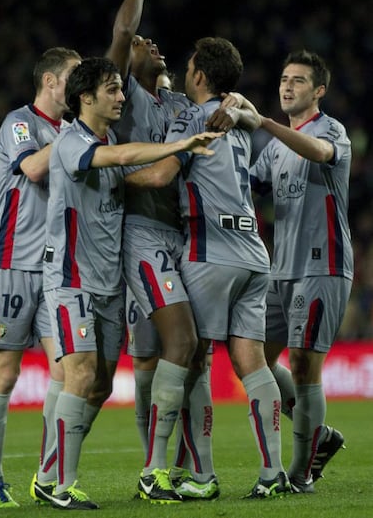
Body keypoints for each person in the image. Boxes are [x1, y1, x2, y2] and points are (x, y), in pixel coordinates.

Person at [33, 56, 223, 510]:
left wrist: (180, 152)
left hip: (109, 284)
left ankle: (44, 476)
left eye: (121, 89)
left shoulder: (108, 138)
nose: (122, 97)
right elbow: (119, 157)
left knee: (98, 385)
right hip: (70, 278)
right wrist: (181, 143)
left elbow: (140, 169)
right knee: (79, 375)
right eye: (113, 90)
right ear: (86, 98)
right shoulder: (71, 141)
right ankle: (62, 485)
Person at [125, 36, 292, 500]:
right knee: (251, 364)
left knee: (191, 356)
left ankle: (201, 476)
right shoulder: (238, 121)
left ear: (198, 76)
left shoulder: (192, 117)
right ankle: (272, 472)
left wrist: (106, 172)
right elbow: (242, 110)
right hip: (254, 251)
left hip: (209, 247)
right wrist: (238, 102)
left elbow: (159, 176)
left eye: (191, 65)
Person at [106, 0, 241, 503]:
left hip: (182, 240)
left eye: (155, 46)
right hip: (142, 235)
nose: (151, 45)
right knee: (171, 347)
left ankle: (178, 466)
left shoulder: (180, 103)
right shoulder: (127, 98)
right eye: (146, 45)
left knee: (187, 352)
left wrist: (232, 103)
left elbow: (221, 105)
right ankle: (153, 467)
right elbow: (122, 30)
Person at [0, 47, 82, 508]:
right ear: (51, 82)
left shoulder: (69, 133)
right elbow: (34, 168)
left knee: (67, 369)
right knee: (5, 370)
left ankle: (47, 476)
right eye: (74, 79)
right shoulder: (19, 123)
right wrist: (79, 132)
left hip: (56, 266)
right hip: (13, 260)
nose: (80, 89)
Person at [249, 49, 352, 492]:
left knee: (306, 365)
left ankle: (301, 472)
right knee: (254, 358)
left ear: (319, 91)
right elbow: (246, 186)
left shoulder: (332, 131)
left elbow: (319, 152)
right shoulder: (273, 149)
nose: (287, 86)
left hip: (322, 265)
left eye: (299, 80)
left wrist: (264, 123)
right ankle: (321, 437)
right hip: (278, 270)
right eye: (284, 79)